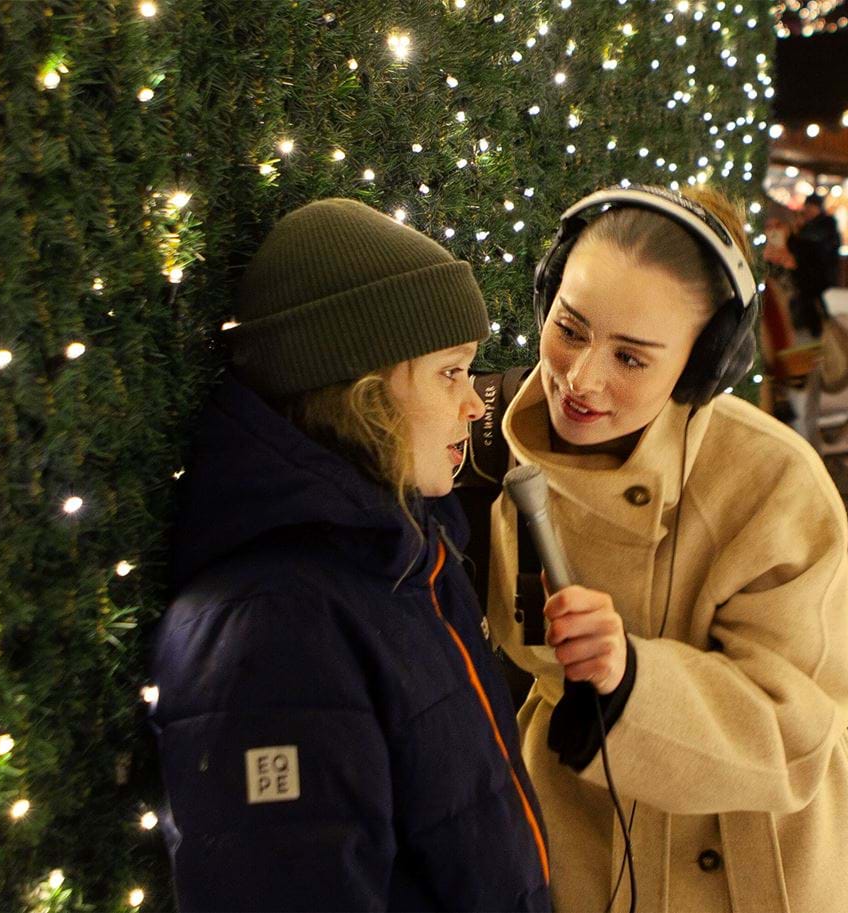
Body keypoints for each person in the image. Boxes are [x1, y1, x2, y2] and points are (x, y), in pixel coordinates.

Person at [481, 184, 848, 912]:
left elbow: (797, 723)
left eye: (631, 358)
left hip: (754, 864)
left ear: (703, 364)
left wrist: (634, 679)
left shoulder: (772, 482)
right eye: (569, 327)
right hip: (581, 836)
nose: (580, 378)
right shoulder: (494, 450)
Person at [155, 199, 554, 911]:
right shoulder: (270, 628)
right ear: (365, 392)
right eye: (449, 373)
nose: (475, 405)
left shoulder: (405, 553)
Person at [784, 193, 842, 338]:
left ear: (818, 208)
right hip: (810, 275)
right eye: (806, 207)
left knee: (815, 305)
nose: (807, 210)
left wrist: (797, 234)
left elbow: (812, 245)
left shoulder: (824, 224)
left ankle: (822, 333)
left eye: (810, 207)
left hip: (818, 274)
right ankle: (820, 332)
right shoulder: (809, 226)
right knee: (813, 304)